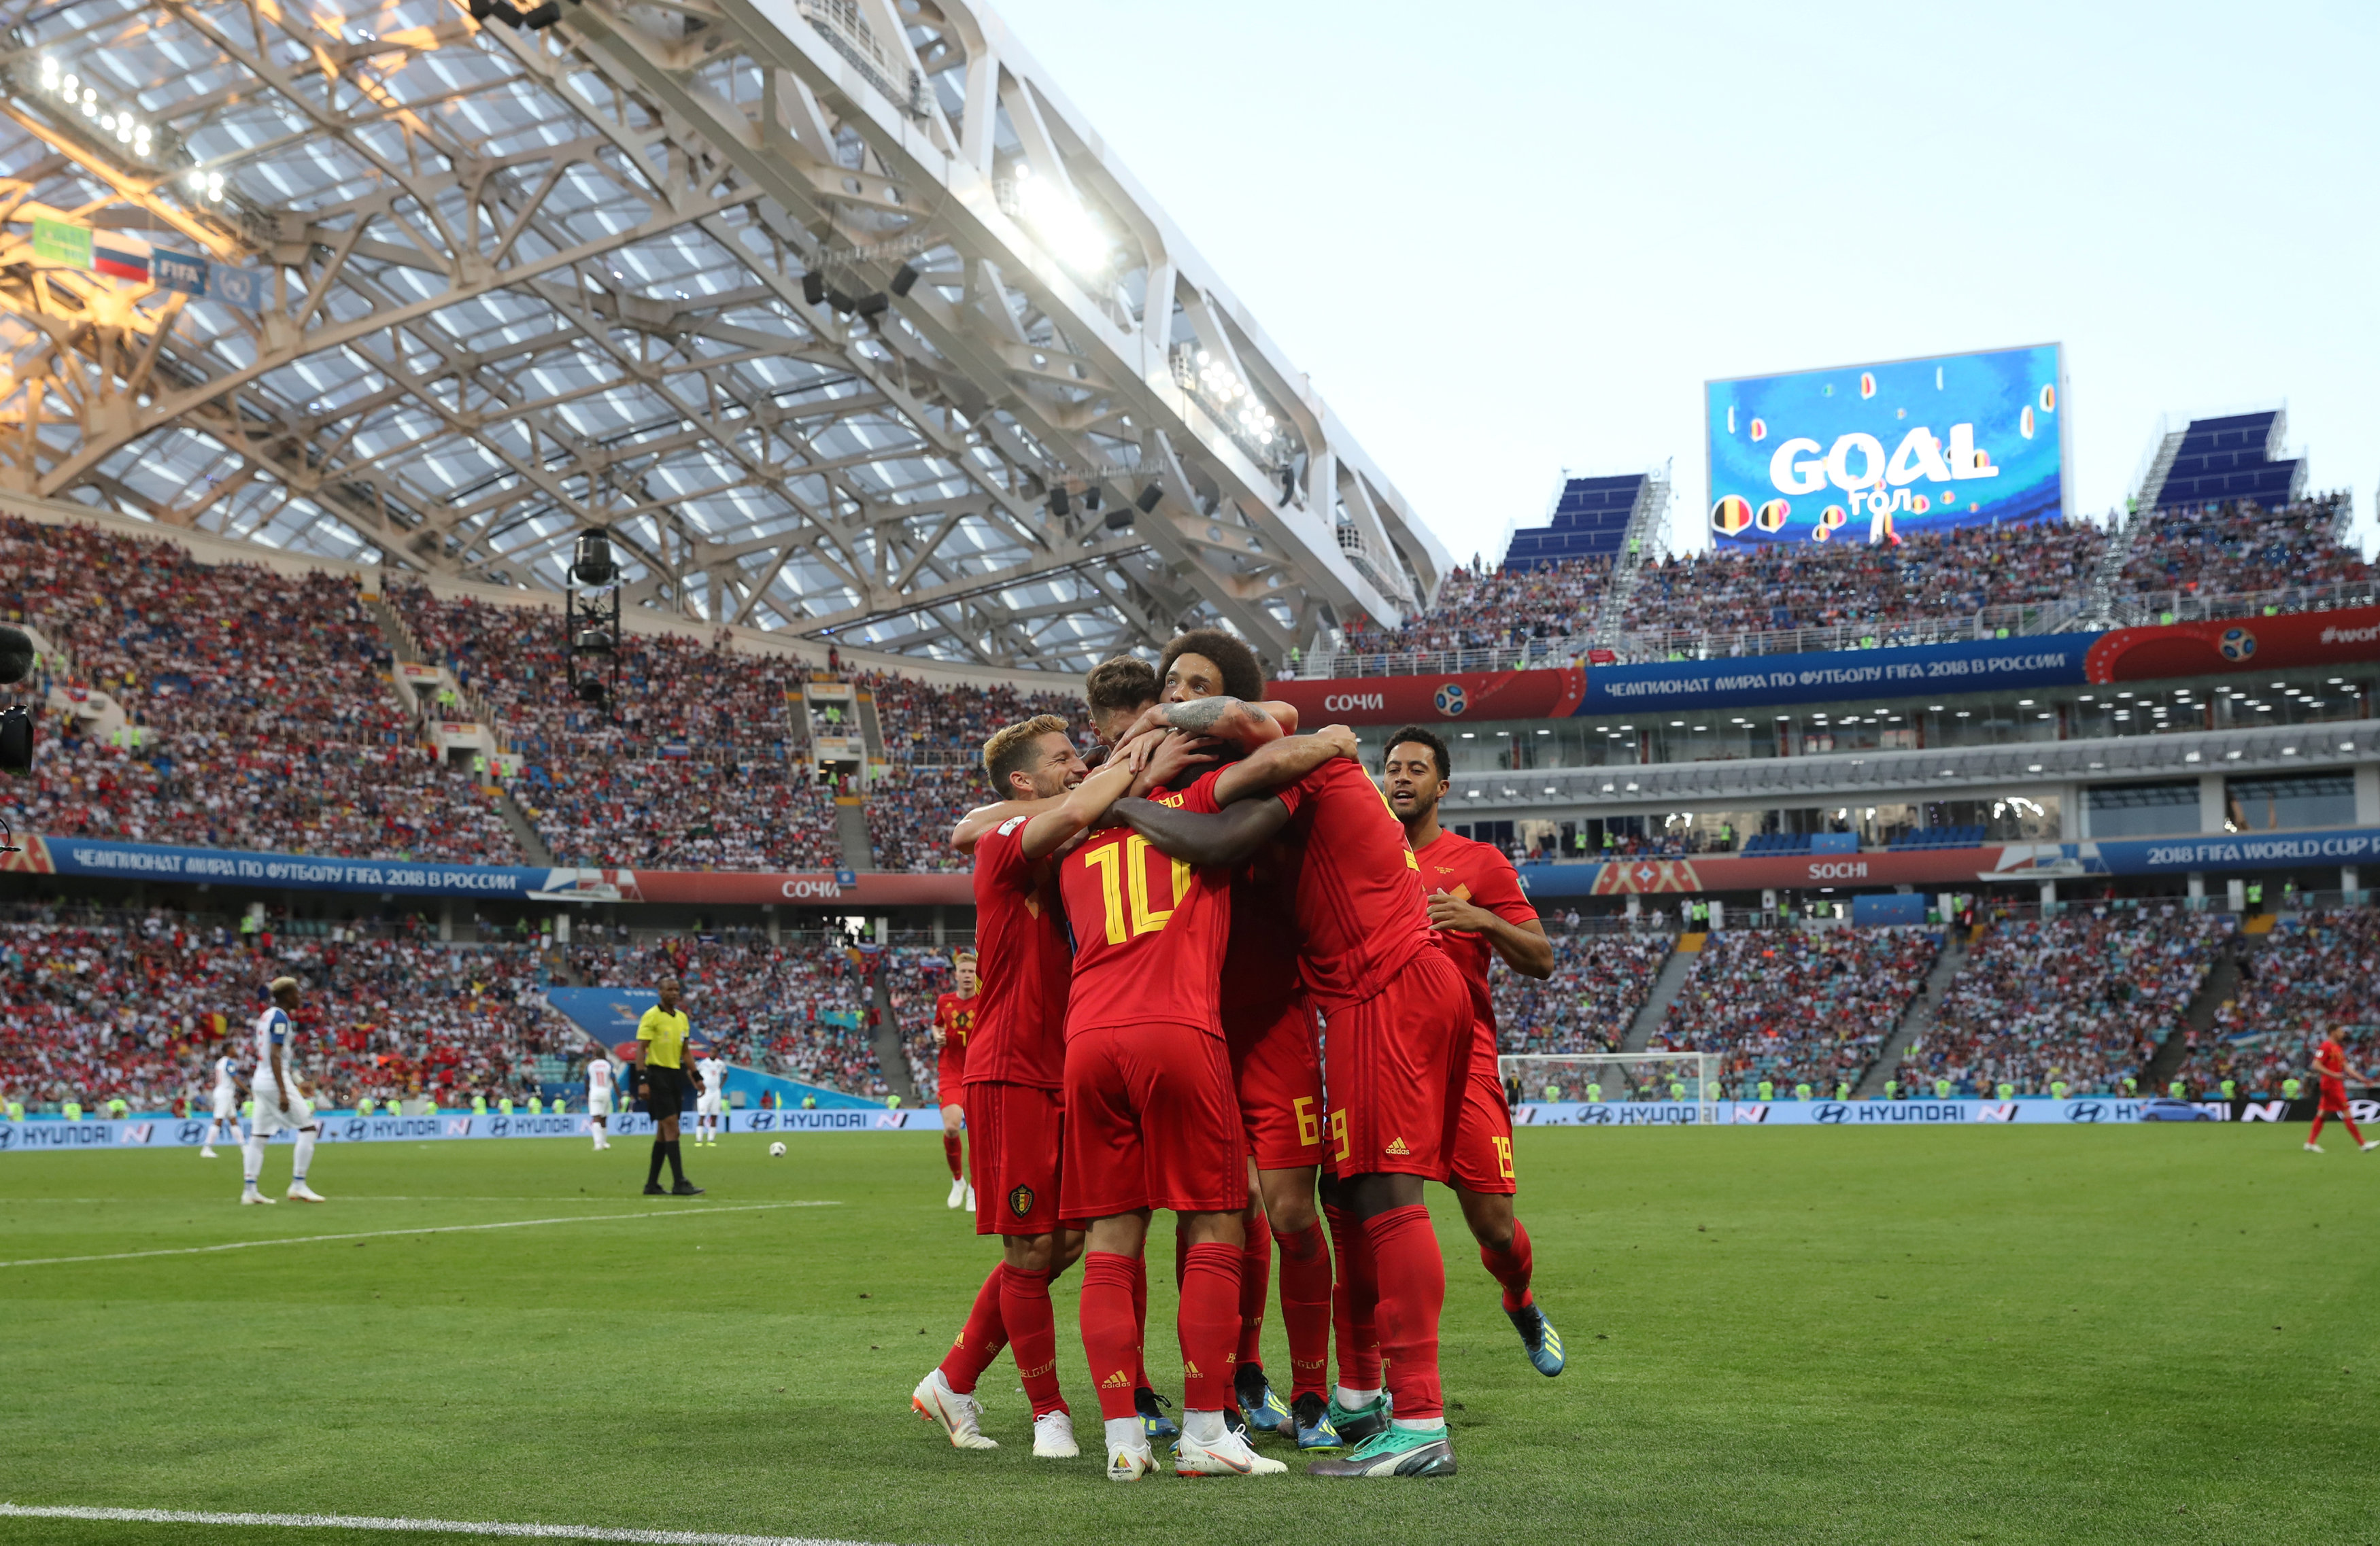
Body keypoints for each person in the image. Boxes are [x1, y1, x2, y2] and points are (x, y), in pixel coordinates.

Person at [1115, 710, 1467, 1480]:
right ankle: (1378, 1403)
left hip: (1382, 987)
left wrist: (1120, 790)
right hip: (1389, 986)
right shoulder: (1303, 775)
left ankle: (1417, 1422)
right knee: (1366, 1199)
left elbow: (1211, 834)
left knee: (1386, 1202)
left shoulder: (1299, 768)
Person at [1048, 701, 1330, 1481]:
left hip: (1087, 1039)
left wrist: (1118, 776)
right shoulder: (1196, 804)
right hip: (1175, 1026)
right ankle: (1206, 1429)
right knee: (1216, 1223)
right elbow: (1282, 746)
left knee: (1110, 1243)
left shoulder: (1071, 839)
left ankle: (1122, 1437)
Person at [1109, 636, 1337, 1448]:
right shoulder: (1159, 787)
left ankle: (1312, 1392)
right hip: (1193, 1023)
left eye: (1194, 685)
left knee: (1288, 1212)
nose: (1176, 694)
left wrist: (1157, 720)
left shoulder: (1265, 757)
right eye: (1169, 681)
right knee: (1216, 1211)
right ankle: (1236, 1377)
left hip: (1273, 1021)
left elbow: (1266, 714)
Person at [913, 715, 1118, 1460]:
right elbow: (969, 827)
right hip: (1012, 1068)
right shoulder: (1003, 843)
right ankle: (1048, 1414)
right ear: (1024, 782)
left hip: (1069, 1063)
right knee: (1031, 1249)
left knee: (1067, 1240)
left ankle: (954, 1377)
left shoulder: (1064, 840)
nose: (1078, 765)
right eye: (1064, 758)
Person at [1381, 726, 1566, 1379]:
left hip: (1464, 1065)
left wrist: (1483, 920)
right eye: (1393, 767)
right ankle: (1379, 1378)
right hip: (1383, 1066)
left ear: (1443, 785)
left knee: (1493, 1226)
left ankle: (1521, 1299)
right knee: (1382, 1220)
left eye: (1416, 769)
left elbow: (1541, 958)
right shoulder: (1363, 860)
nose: (1402, 778)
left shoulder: (1479, 863)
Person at [243, 976, 325, 1205]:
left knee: (258, 1136)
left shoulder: (266, 1015)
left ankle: (250, 1190)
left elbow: (277, 1055)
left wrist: (297, 1080)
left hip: (260, 1080)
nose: (300, 998)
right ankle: (298, 1184)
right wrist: (282, 1090)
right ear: (288, 996)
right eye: (297, 994)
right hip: (273, 1082)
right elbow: (275, 1054)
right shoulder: (280, 1017)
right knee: (308, 1128)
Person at [634, 978, 705, 1195]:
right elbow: (641, 1049)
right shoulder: (652, 1016)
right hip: (657, 1075)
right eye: (669, 989)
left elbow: (685, 1051)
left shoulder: (682, 1018)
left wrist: (697, 1076)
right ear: (660, 992)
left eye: (677, 989)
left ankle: (652, 1184)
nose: (674, 992)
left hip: (674, 1075)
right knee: (672, 1127)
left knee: (663, 1133)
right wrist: (642, 1080)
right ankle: (679, 1182)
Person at [933, 952, 981, 1211]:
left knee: (976, 1135)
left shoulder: (984, 1001)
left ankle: (975, 1188)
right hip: (951, 1074)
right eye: (963, 971)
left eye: (971, 972)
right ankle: (958, 1181)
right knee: (952, 1128)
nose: (966, 975)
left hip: (977, 1072)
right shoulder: (944, 1001)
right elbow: (937, 1026)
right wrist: (938, 1036)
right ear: (956, 975)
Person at [2304, 1031, 2377, 1154]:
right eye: (2340, 1031)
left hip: (2335, 1085)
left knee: (2323, 1114)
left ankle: (2310, 1143)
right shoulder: (2326, 1046)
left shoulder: (2337, 1048)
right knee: (2346, 1112)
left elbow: (2346, 1067)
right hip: (2331, 1085)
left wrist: (2362, 1079)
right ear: (2333, 1032)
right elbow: (2316, 1064)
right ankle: (2363, 1144)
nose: (2343, 1034)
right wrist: (2334, 1075)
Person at [201, 1042, 245, 1160]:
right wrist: (248, 1091)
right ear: (229, 1050)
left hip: (225, 1093)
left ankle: (244, 1148)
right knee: (218, 1120)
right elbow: (235, 1078)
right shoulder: (228, 1062)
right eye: (233, 1048)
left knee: (233, 1120)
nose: (235, 1050)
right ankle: (207, 1148)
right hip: (224, 1093)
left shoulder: (220, 1062)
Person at [695, 1050, 728, 1146]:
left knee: (714, 1116)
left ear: (717, 1054)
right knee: (702, 1115)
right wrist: (697, 1084)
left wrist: (721, 1086)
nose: (713, 1053)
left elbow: (726, 1074)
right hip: (704, 1092)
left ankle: (711, 1140)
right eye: (711, 1052)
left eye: (715, 1052)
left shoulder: (720, 1064)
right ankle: (699, 1140)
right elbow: (691, 1072)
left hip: (716, 1092)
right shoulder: (702, 1063)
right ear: (709, 1053)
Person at [586, 1048, 615, 1151]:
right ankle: (604, 1142)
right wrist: (619, 1097)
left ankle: (598, 1143)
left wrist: (587, 1095)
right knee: (604, 1117)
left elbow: (586, 1081)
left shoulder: (590, 1065)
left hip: (594, 1092)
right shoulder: (608, 1065)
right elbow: (614, 1081)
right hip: (606, 1092)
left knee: (596, 1118)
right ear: (604, 1054)